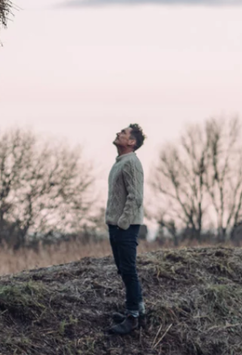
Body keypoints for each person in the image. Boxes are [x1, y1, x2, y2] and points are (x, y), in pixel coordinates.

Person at [106, 124, 146, 335]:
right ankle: (138, 310)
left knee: (129, 270)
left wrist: (122, 223)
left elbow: (135, 197)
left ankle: (132, 318)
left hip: (126, 226)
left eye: (123, 133)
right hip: (117, 225)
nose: (118, 134)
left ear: (131, 142)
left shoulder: (131, 163)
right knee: (124, 269)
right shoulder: (121, 162)